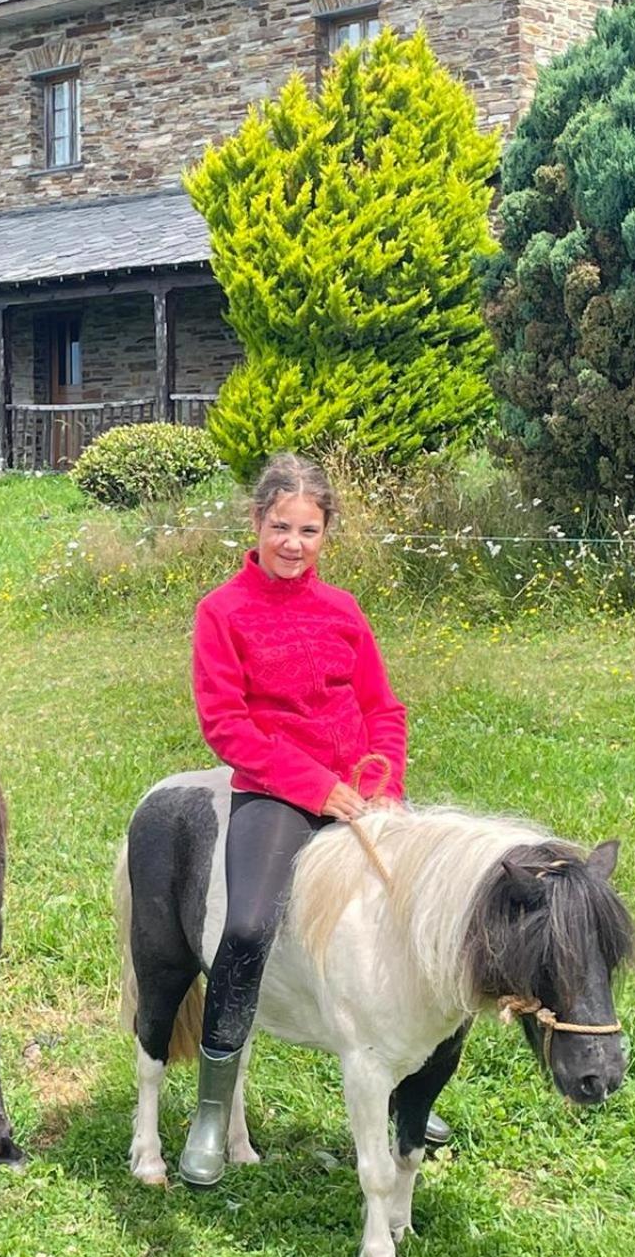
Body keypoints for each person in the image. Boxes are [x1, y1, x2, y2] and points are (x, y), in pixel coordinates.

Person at [180, 451, 448, 1188]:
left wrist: (384, 786)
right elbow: (227, 727)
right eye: (280, 527)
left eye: (308, 529)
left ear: (326, 532)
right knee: (246, 927)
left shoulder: (344, 611)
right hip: (276, 793)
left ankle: (407, 1092)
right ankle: (211, 1108)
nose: (293, 543)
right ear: (256, 524)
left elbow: (382, 709)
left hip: (364, 795)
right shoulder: (221, 612)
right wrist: (318, 787)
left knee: (424, 920)